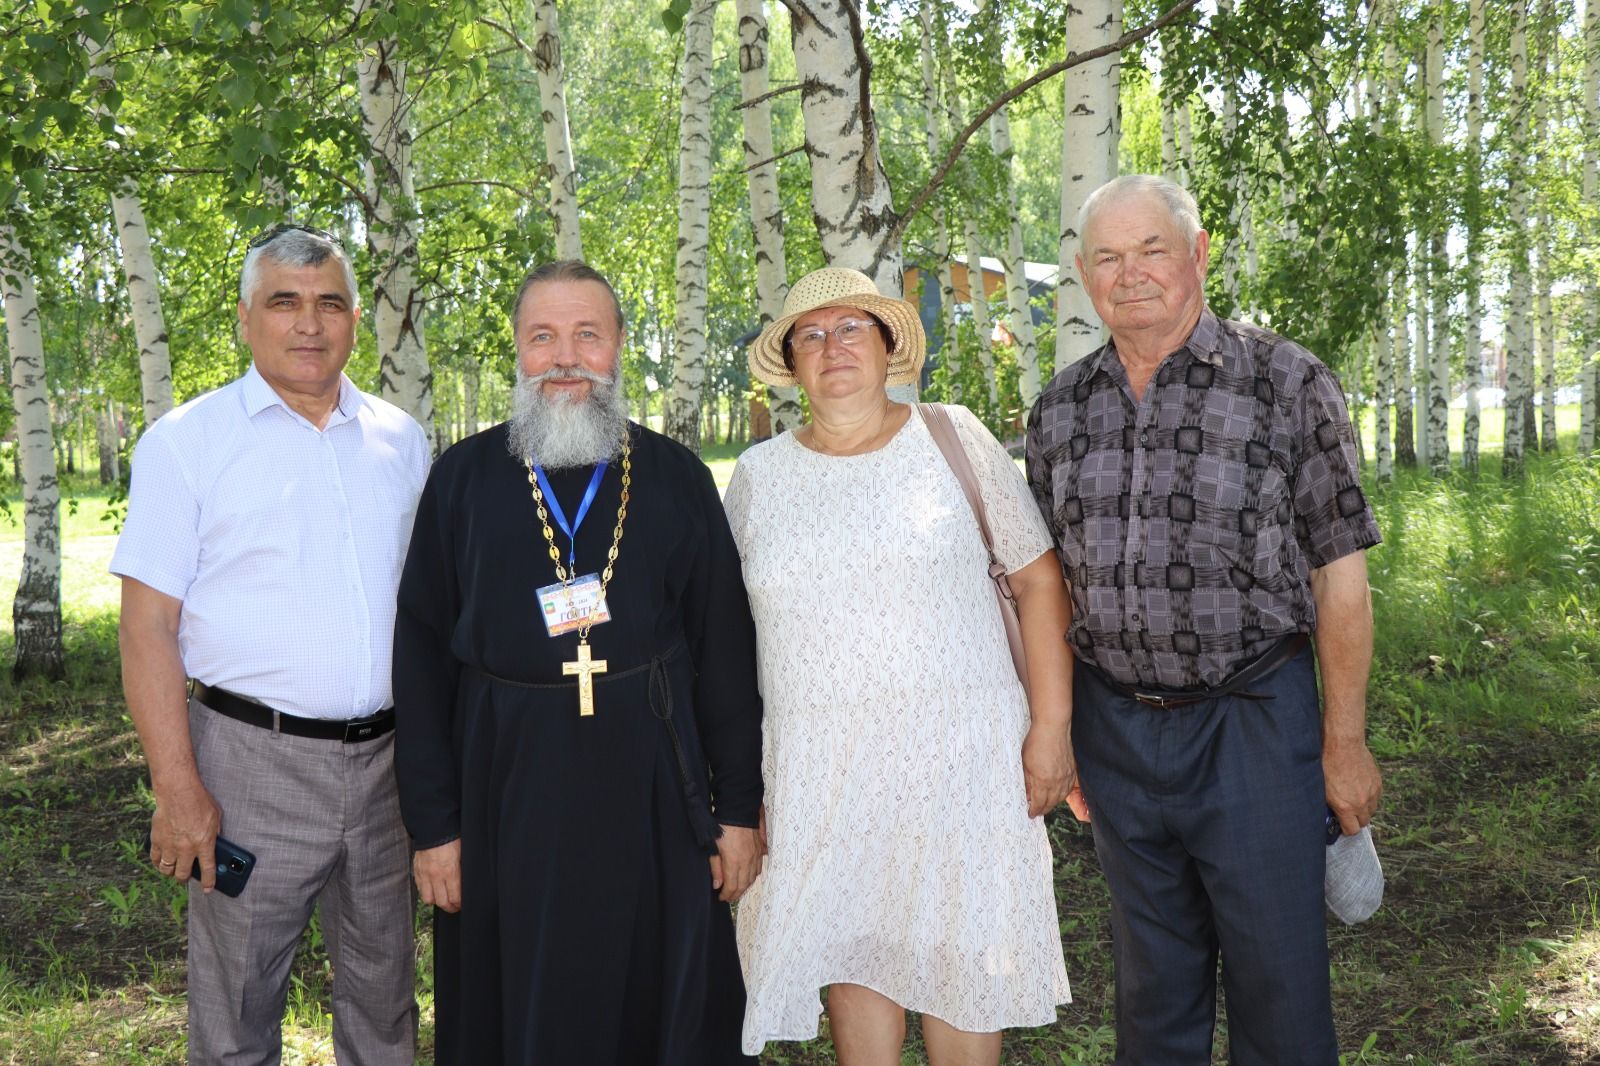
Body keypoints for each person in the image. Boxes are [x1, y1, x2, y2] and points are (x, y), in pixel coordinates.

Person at [1025, 174, 1384, 1065]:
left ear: (1199, 252)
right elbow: (1045, 589)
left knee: (1280, 986)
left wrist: (1344, 743)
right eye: (1107, 256)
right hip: (1116, 729)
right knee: (1152, 995)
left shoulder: (1287, 381)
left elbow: (1340, 576)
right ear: (1081, 273)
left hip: (1254, 722)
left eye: (1152, 248)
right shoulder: (1060, 410)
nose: (1130, 272)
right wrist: (1060, 728)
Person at [392, 260, 763, 1064]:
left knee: (660, 987)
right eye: (544, 337)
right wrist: (434, 827)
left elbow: (726, 653)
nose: (566, 357)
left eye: (588, 335)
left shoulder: (674, 476)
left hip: (653, 779)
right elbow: (419, 660)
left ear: (620, 346)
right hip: (503, 781)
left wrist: (738, 811)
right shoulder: (461, 479)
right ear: (518, 352)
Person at [727, 266, 1076, 1065]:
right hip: (823, 771)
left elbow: (1036, 579)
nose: (832, 345)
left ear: (889, 346)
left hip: (962, 760)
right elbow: (727, 635)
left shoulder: (952, 437)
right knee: (856, 961)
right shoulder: (758, 479)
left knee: (962, 963)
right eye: (810, 335)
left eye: (852, 327)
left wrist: (1053, 727)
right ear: (792, 362)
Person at [112, 223, 428, 1064]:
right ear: (246, 318)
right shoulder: (187, 443)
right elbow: (147, 629)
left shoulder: (403, 442)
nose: (309, 324)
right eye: (284, 302)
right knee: (236, 1019)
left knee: (386, 1009)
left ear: (357, 319)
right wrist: (178, 787)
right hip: (248, 768)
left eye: (329, 303)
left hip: (387, 772)